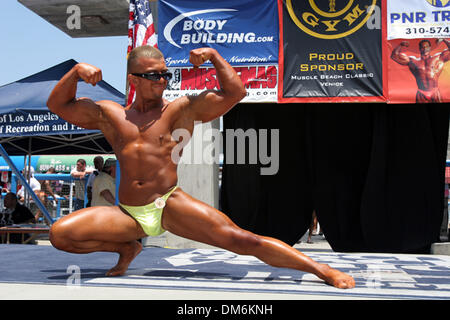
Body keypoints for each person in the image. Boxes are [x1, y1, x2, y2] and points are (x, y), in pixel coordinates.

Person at [46, 46, 354, 289]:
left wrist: (215, 57)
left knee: (242, 240)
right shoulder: (110, 114)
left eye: (165, 74)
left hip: (168, 203)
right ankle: (127, 249)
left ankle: (322, 270)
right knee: (60, 235)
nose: (162, 80)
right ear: (134, 80)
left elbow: (236, 93)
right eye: (153, 76)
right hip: (127, 213)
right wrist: (74, 72)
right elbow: (58, 105)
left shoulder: (181, 109)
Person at [391, 38, 450, 103]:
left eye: (427, 47)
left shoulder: (438, 58)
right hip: (421, 93)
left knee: (439, 112)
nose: (425, 49)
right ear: (419, 48)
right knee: (420, 112)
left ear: (430, 47)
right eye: (422, 47)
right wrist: (400, 45)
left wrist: (444, 40)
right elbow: (394, 56)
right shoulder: (413, 61)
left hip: (435, 92)